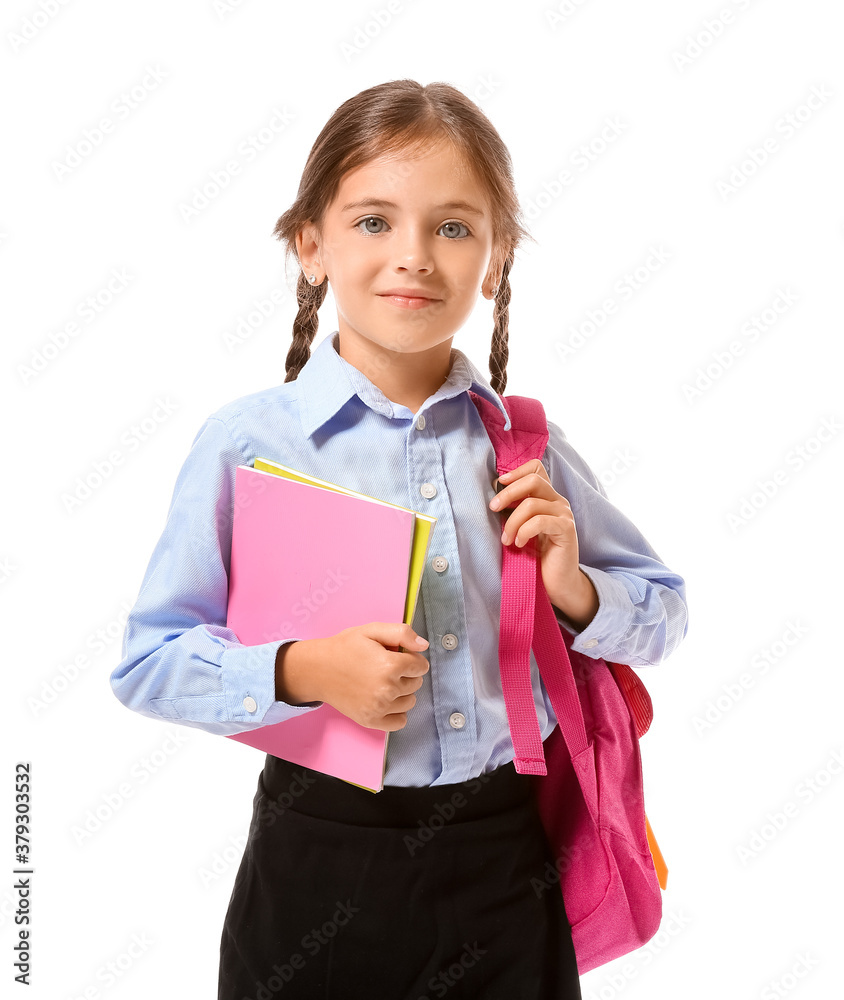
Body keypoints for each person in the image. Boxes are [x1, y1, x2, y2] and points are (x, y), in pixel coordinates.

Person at [110, 79, 688, 999]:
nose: (412, 256)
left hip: (506, 863)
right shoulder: (249, 445)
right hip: (315, 864)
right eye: (373, 221)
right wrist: (304, 670)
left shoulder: (524, 443)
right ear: (310, 245)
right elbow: (149, 664)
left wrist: (574, 587)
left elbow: (662, 614)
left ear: (495, 260)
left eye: (454, 228)